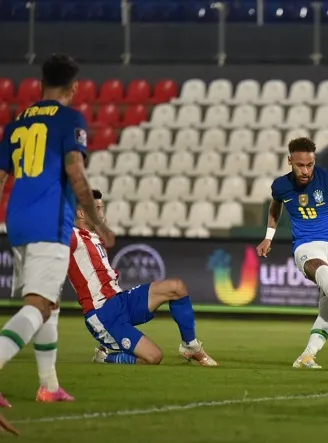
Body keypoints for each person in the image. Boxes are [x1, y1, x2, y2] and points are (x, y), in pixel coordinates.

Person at [0, 54, 115, 407]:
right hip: (50, 222)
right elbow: (76, 174)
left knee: (49, 303)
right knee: (39, 305)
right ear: (74, 86)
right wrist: (97, 223)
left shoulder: (17, 123)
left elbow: (1, 176)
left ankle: (49, 385)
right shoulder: (69, 119)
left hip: (17, 221)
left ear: (40, 84)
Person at [256, 137, 328, 369]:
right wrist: (269, 237)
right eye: (300, 165)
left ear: (314, 160)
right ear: (290, 161)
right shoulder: (280, 186)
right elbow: (275, 207)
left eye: (309, 165)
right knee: (321, 271)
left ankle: (307, 356)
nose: (306, 170)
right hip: (306, 245)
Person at [69, 189, 218, 367]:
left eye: (102, 208)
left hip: (120, 301)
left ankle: (190, 347)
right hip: (102, 313)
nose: (102, 213)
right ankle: (105, 357)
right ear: (81, 213)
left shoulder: (94, 236)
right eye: (97, 209)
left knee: (176, 287)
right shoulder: (72, 236)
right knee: (153, 357)